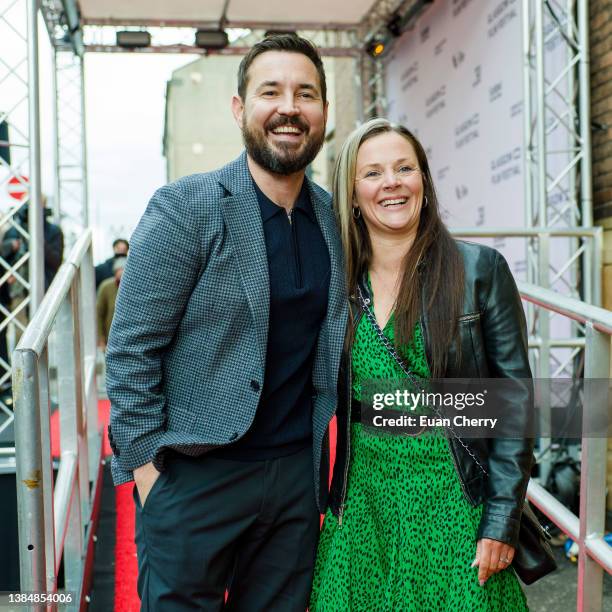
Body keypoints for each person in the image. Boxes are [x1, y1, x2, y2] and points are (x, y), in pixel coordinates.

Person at [106, 34, 348, 611]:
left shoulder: (337, 221)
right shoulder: (185, 208)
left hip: (294, 480)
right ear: (240, 108)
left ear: (322, 114)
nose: (289, 107)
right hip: (195, 477)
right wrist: (149, 478)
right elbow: (132, 350)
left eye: (306, 94)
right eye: (271, 91)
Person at [310, 119, 533, 611]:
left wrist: (500, 520)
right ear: (351, 194)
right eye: (372, 173)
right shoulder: (335, 283)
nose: (391, 182)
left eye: (404, 168)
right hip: (364, 509)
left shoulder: (480, 270)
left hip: (455, 506)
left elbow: (514, 405)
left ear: (424, 183)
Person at [96, 256, 126, 350]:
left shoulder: (134, 288)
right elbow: (99, 314)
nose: (121, 272)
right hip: (110, 338)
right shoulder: (106, 287)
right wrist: (101, 339)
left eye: (123, 269)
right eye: (119, 269)